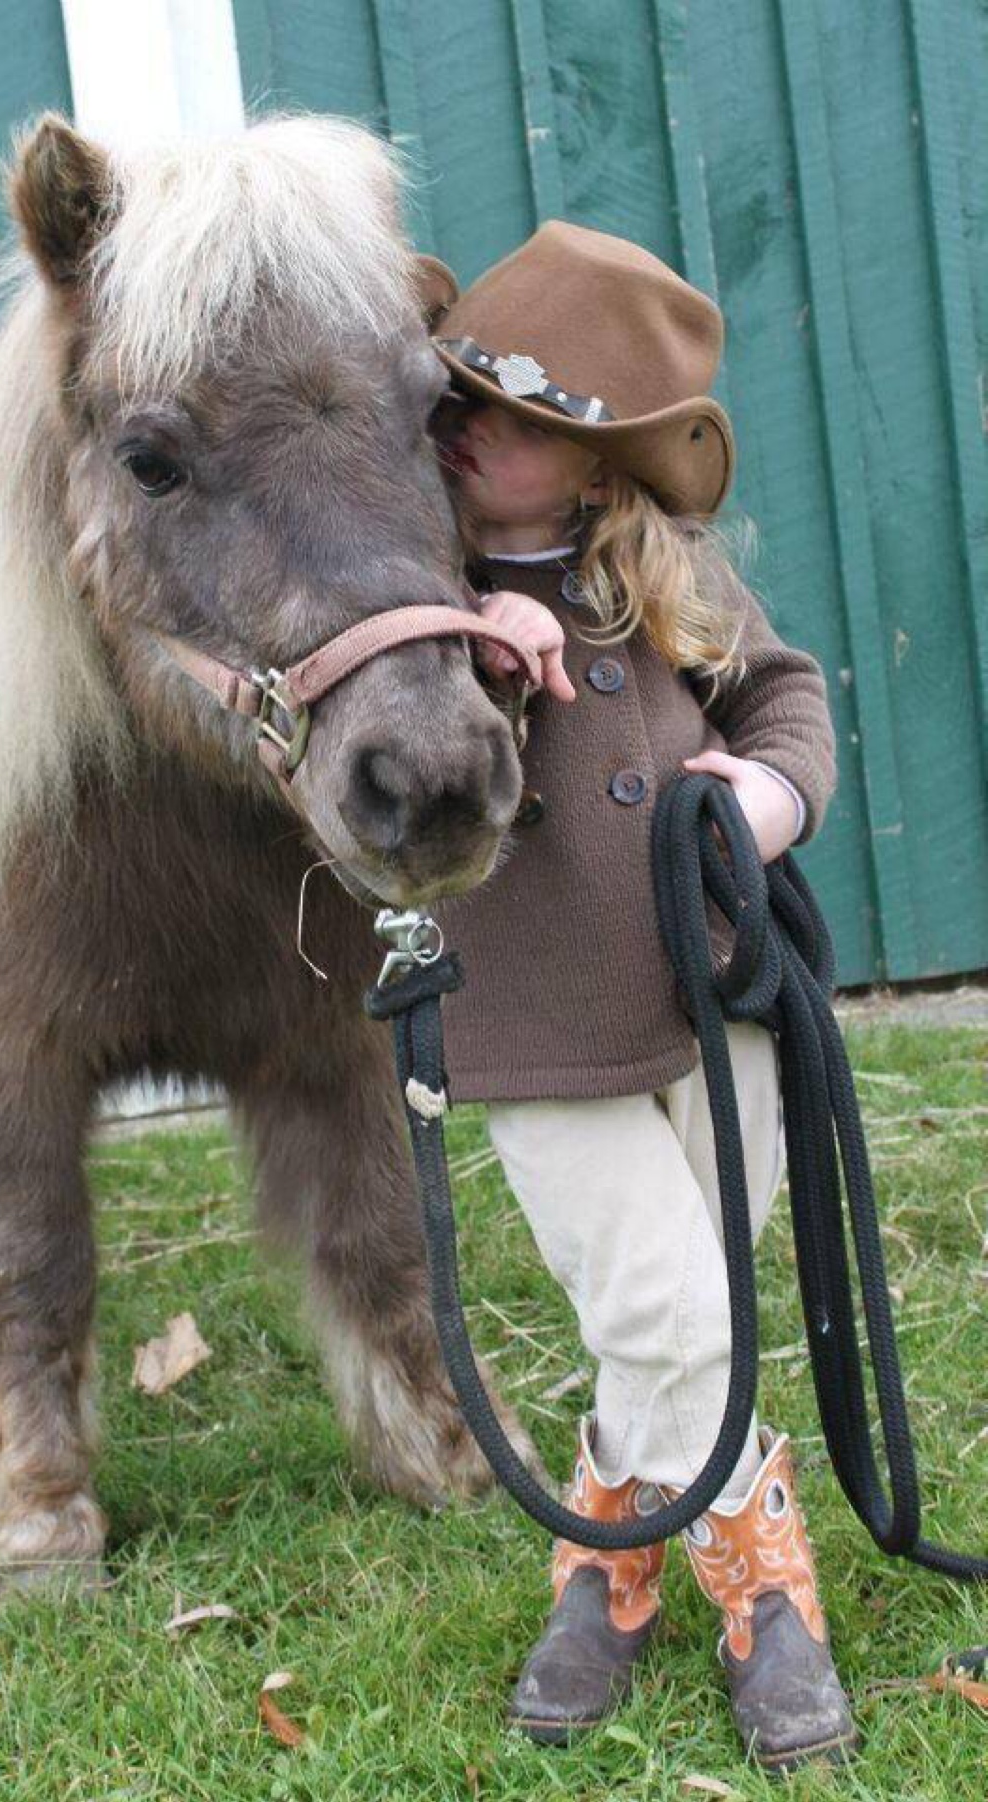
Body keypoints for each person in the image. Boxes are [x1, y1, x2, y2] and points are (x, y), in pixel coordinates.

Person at [413, 224, 856, 1773]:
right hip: (540, 1032)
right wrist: (471, 637)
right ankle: (768, 1579)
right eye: (464, 389)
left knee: (689, 1306)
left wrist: (766, 795)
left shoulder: (649, 583)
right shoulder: (417, 589)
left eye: (524, 415)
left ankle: (611, 1545)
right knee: (661, 1301)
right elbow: (373, 754)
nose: (473, 419)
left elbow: (787, 696)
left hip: (723, 986)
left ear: (600, 469)